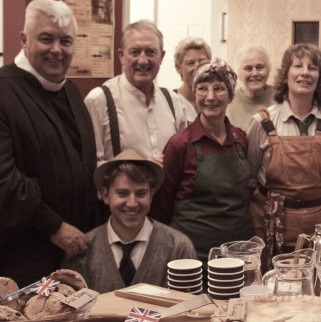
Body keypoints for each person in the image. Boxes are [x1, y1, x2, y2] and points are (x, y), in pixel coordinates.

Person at [0, 0, 100, 286]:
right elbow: (4, 180)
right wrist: (54, 227)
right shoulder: (4, 90)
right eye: (46, 39)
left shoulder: (71, 89)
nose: (57, 50)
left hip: (74, 249)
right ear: (23, 39)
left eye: (65, 41)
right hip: (24, 253)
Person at [246, 43, 321, 269]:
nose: (305, 72)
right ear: (285, 75)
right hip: (271, 231)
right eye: (298, 66)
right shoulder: (262, 123)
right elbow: (249, 181)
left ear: (319, 78)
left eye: (312, 68)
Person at [151, 59, 252, 262]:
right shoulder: (180, 144)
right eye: (202, 89)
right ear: (194, 95)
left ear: (230, 95)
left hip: (238, 251)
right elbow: (162, 204)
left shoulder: (241, 139)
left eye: (219, 88)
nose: (210, 97)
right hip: (192, 254)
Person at [64, 149, 196, 293]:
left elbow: (190, 309)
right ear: (105, 195)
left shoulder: (178, 248)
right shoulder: (82, 250)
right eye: (122, 193)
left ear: (151, 195)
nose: (132, 203)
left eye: (141, 193)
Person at [85, 20, 190, 165]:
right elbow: (90, 164)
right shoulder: (98, 100)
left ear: (162, 57)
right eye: (135, 52)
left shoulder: (174, 102)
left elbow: (186, 157)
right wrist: (137, 167)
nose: (143, 60)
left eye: (150, 52)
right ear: (121, 56)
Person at [226, 45, 274, 133]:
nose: (255, 73)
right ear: (239, 73)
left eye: (260, 67)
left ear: (268, 70)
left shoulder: (280, 97)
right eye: (248, 68)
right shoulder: (228, 102)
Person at [172, 36, 212, 121]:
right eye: (190, 63)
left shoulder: (215, 101)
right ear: (178, 68)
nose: (197, 67)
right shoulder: (171, 103)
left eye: (202, 62)